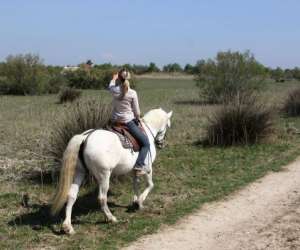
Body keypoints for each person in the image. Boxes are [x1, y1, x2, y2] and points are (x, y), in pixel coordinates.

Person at [108, 69, 150, 175]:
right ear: (129, 79)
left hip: (114, 122)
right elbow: (137, 112)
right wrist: (139, 117)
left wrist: (113, 79)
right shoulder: (132, 93)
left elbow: (110, 86)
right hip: (128, 123)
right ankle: (139, 166)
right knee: (146, 143)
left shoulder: (114, 90)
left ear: (119, 78)